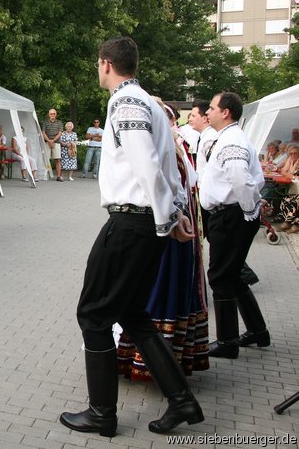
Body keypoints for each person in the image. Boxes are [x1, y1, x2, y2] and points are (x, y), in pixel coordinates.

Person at [59, 37, 203, 437]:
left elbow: (147, 165)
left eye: (96, 63)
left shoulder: (126, 103)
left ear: (106, 63)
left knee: (92, 314)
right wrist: (172, 215)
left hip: (131, 223)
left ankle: (102, 414)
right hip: (145, 222)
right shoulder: (146, 102)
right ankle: (181, 400)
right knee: (134, 315)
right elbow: (167, 169)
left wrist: (167, 218)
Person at [117, 98, 209, 381]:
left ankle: (160, 372)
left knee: (149, 298)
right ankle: (171, 372)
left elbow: (164, 186)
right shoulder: (174, 147)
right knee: (151, 298)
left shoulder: (167, 148)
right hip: (174, 227)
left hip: (163, 231)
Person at [201, 91, 270, 359]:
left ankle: (228, 342)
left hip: (230, 215)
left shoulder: (232, 140)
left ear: (225, 112)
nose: (208, 112)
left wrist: (249, 210)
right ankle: (257, 331)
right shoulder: (228, 138)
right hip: (229, 214)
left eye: (211, 108)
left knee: (220, 276)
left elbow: (241, 179)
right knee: (231, 275)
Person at [41, 109, 64, 181]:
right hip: (46, 142)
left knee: (57, 159)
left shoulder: (59, 122)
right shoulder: (45, 123)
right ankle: (46, 175)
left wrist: (53, 141)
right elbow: (43, 132)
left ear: (56, 114)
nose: (52, 115)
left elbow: (60, 133)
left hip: (56, 142)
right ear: (49, 115)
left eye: (54, 114)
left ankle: (58, 176)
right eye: (51, 114)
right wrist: (49, 141)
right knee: (46, 159)